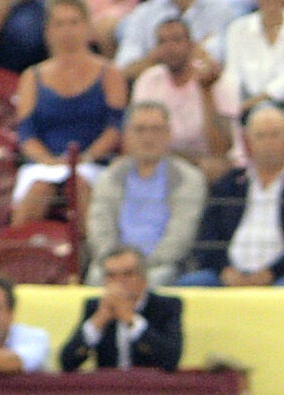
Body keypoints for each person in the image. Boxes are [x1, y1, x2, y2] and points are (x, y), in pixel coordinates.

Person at [8, 0, 128, 220]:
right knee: (38, 190)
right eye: (59, 24)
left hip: (93, 162)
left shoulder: (110, 73)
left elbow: (114, 129)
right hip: (46, 163)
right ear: (48, 31)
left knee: (81, 186)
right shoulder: (32, 77)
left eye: (74, 23)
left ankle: (91, 252)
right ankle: (18, 251)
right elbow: (27, 134)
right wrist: (49, 161)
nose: (67, 31)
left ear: (87, 27)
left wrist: (86, 158)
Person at [180, 100, 284, 280]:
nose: (268, 143)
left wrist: (271, 273)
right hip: (227, 274)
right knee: (190, 285)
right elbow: (208, 237)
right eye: (261, 136)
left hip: (282, 277)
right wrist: (225, 270)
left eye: (275, 135)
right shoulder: (228, 184)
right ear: (247, 142)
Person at [86, 99, 209, 274]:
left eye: (156, 130)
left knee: (159, 278)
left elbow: (181, 235)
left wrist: (139, 269)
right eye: (140, 130)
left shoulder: (189, 179)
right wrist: (116, 262)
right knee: (95, 278)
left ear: (168, 134)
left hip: (161, 265)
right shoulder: (109, 178)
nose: (148, 137)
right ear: (126, 134)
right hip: (113, 265)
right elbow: (99, 229)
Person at [126, 12, 236, 170]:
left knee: (213, 168)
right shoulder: (148, 80)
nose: (169, 48)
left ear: (191, 45)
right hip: (161, 160)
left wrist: (206, 91)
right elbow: (135, 138)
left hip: (205, 161)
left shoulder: (218, 80)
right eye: (162, 42)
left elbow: (220, 149)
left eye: (176, 40)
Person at [59, 244, 186, 365]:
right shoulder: (95, 306)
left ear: (143, 278)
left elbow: (171, 359)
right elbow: (67, 362)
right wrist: (98, 320)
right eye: (111, 276)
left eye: (127, 274)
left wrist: (131, 319)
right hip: (107, 385)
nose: (119, 282)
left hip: (150, 385)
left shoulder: (166, 306)